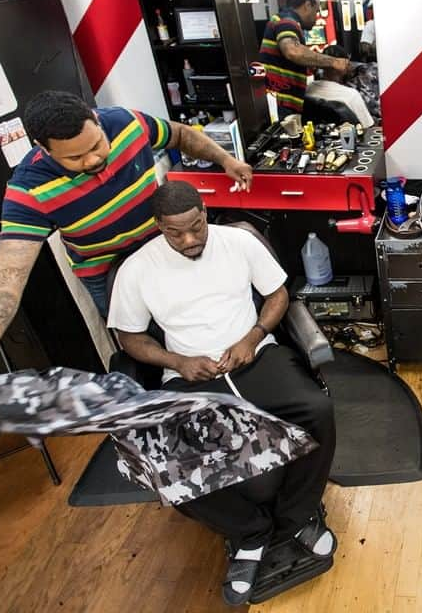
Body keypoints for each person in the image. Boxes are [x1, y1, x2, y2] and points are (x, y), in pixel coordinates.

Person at [0, 91, 252, 401]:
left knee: (194, 318)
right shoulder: (29, 189)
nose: (94, 158)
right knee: (155, 348)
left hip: (163, 251)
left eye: (96, 145)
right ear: (42, 148)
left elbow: (179, 134)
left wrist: (225, 159)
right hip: (107, 274)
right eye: (75, 157)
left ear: (96, 121)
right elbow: (7, 270)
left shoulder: (127, 123)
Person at [107, 181, 336, 605]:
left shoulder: (238, 242)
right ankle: (249, 533)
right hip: (190, 374)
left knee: (316, 409)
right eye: (177, 233)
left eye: (197, 226)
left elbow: (278, 295)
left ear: (205, 211)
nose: (191, 240)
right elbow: (129, 338)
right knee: (163, 461)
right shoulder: (136, 270)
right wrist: (177, 362)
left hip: (254, 357)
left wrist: (254, 336)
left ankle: (297, 517)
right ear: (159, 227)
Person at [259, 0, 350, 122]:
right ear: (308, 5)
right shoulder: (287, 21)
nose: (316, 16)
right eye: (316, 10)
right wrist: (333, 62)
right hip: (280, 104)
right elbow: (293, 51)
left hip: (283, 102)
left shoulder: (283, 20)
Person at [304, 44, 375, 127]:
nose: (351, 66)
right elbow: (368, 126)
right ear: (342, 64)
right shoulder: (351, 96)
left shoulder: (308, 88)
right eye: (348, 63)